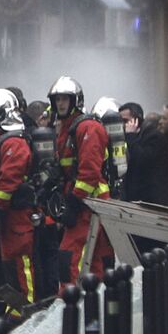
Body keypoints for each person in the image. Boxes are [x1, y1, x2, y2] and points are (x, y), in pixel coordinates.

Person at [0, 88, 39, 315]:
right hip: (7, 214)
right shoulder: (1, 140)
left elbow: (8, 181)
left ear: (1, 115)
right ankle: (13, 308)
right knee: (6, 261)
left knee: (20, 260)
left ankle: (28, 307)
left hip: (16, 214)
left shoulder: (14, 143)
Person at [47, 76, 114, 285]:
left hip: (89, 202)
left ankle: (70, 304)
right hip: (84, 201)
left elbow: (89, 173)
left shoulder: (87, 128)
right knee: (95, 260)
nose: (61, 104)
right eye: (57, 100)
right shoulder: (67, 129)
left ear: (76, 101)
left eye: (65, 99)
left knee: (69, 255)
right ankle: (95, 304)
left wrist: (74, 205)